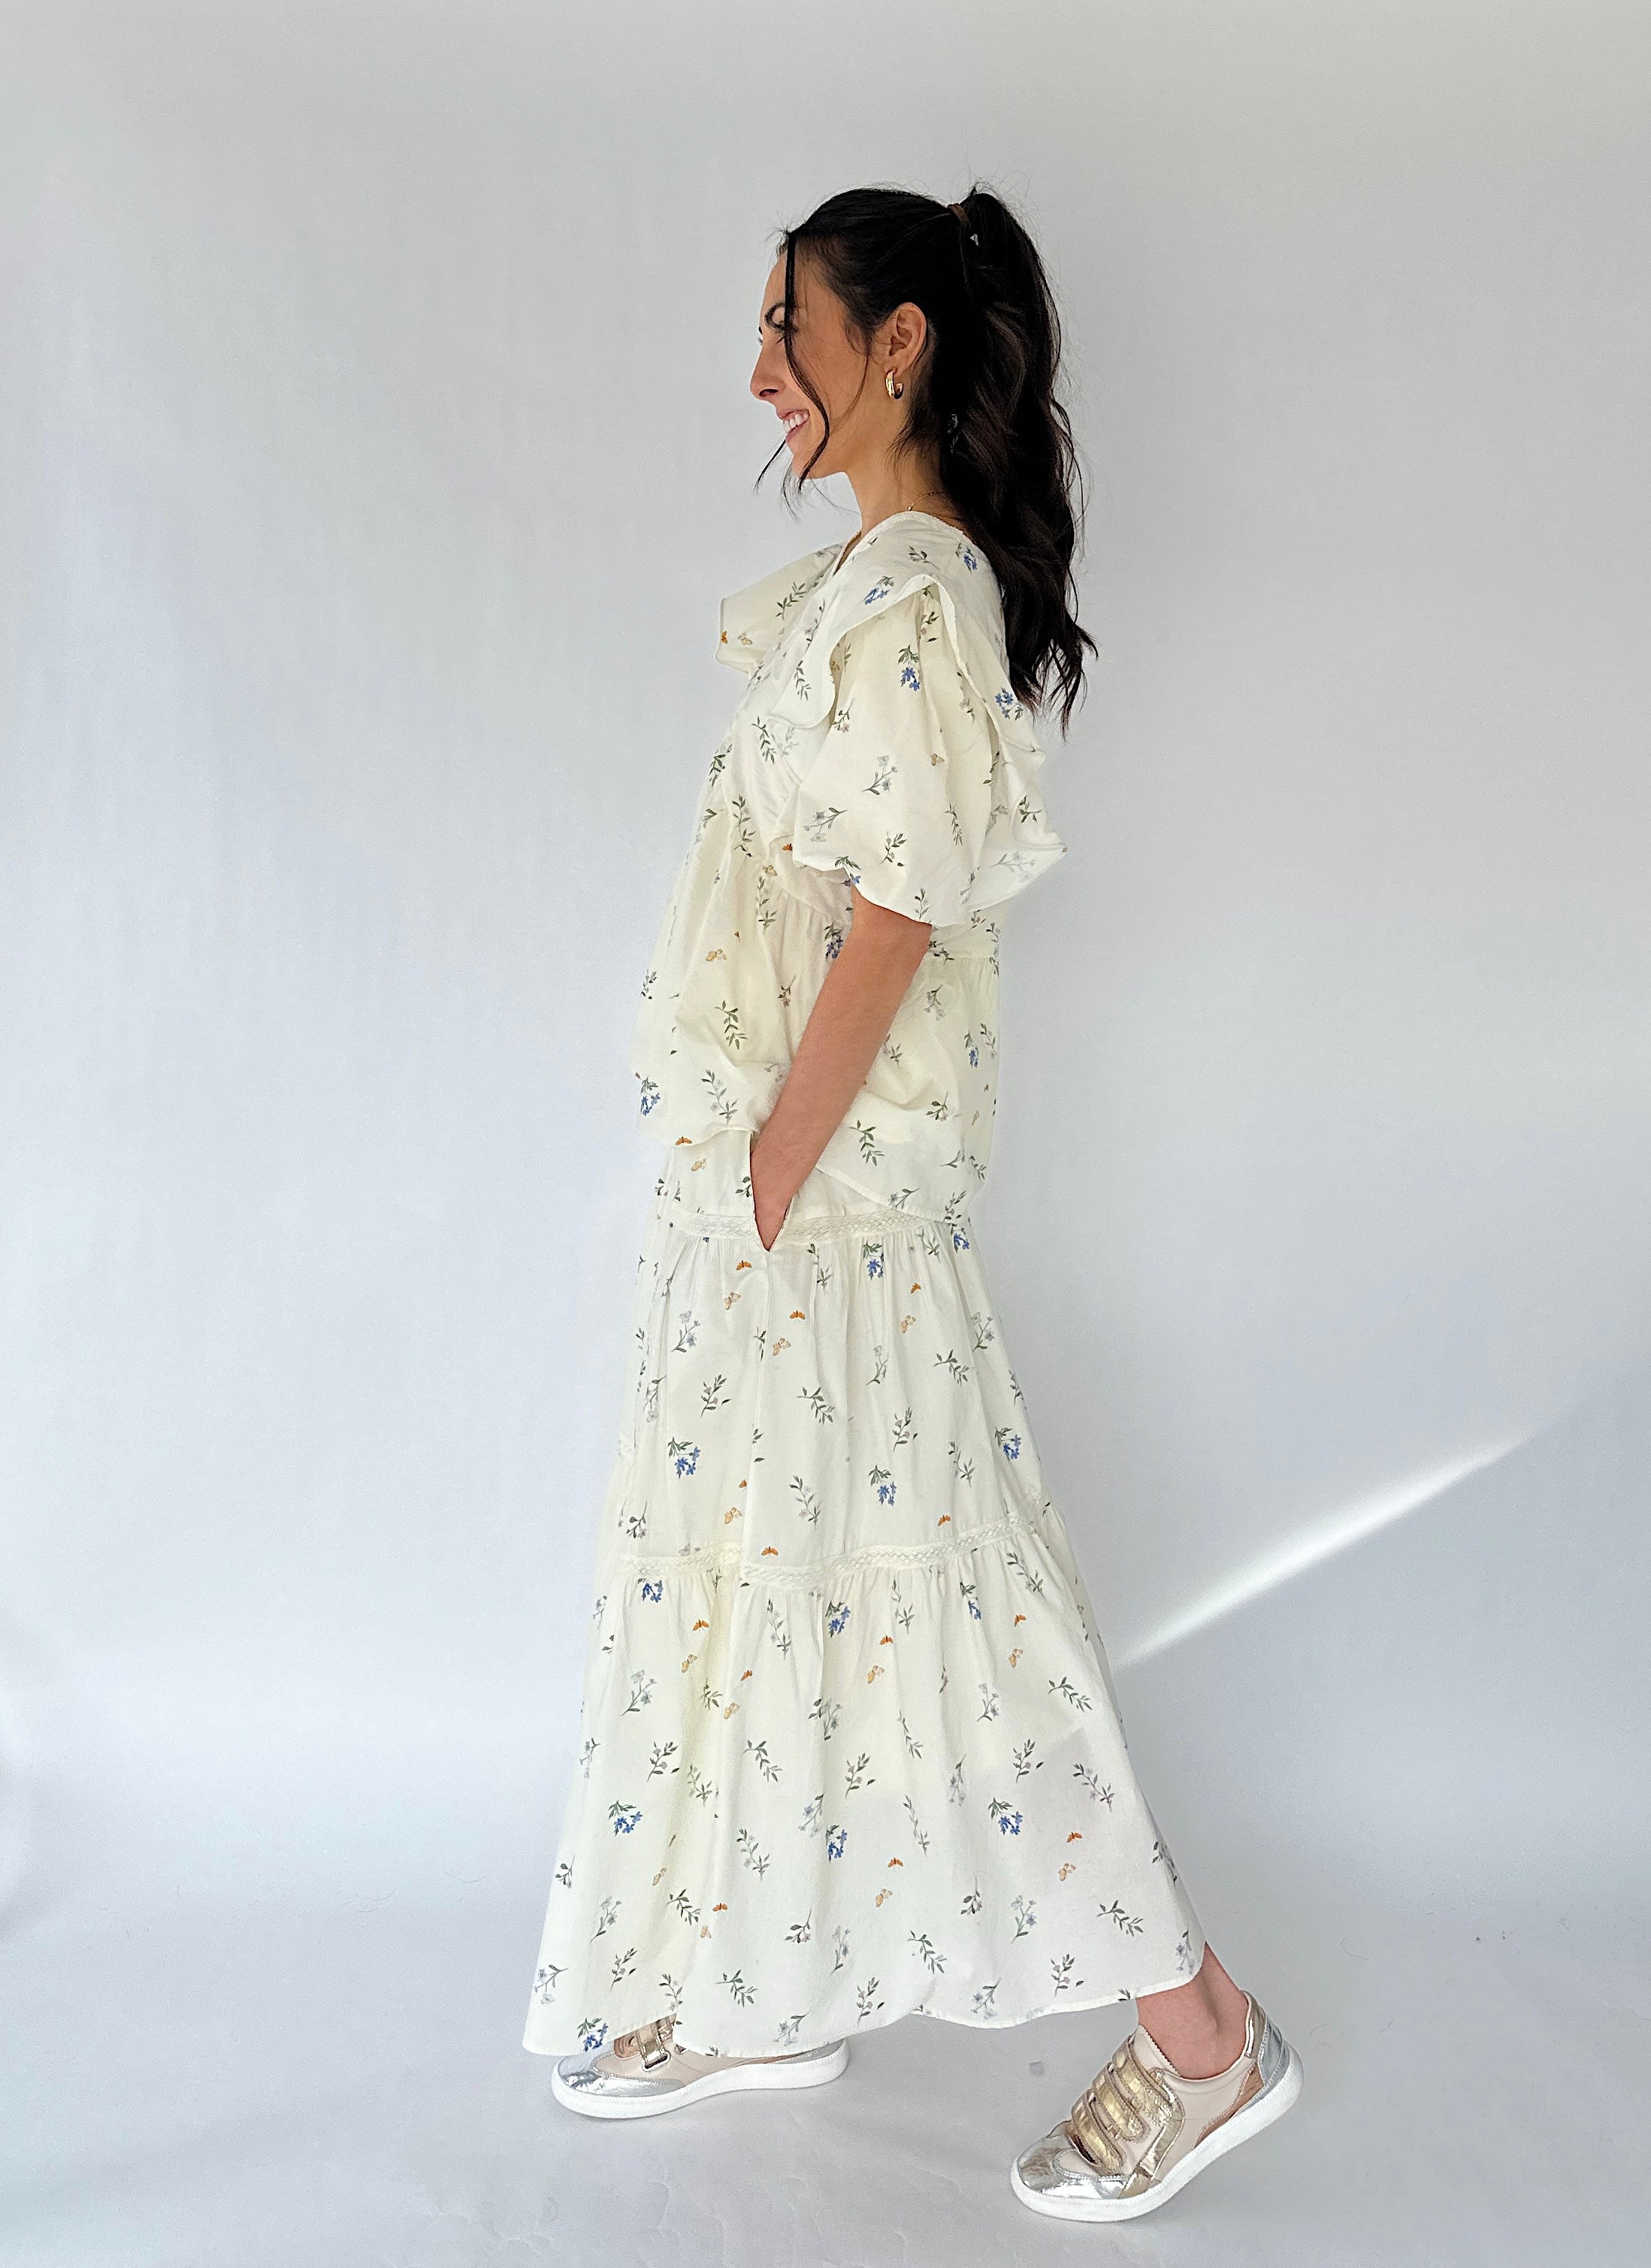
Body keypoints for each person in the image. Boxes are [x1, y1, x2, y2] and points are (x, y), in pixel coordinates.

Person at [522, 183, 1302, 2222]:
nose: (757, 371)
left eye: (788, 326)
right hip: (788, 1214)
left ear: (899, 347)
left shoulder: (914, 606)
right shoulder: (870, 593)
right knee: (780, 1590)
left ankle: (1202, 2036)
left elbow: (898, 914)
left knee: (960, 1617)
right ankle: (756, 1981)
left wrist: (774, 1171)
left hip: (835, 1217)